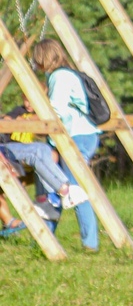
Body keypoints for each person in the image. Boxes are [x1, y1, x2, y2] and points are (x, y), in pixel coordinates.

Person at [31, 39, 102, 252]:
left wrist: (34, 123)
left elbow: (57, 112)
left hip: (78, 137)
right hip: (73, 137)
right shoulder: (59, 74)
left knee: (72, 189)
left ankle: (90, 244)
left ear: (43, 57)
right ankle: (45, 240)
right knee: (58, 185)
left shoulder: (60, 77)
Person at [0, 99, 91, 224]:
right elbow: (8, 119)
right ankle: (63, 190)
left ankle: (48, 197)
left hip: (6, 147)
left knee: (43, 148)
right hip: (5, 150)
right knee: (36, 152)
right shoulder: (18, 111)